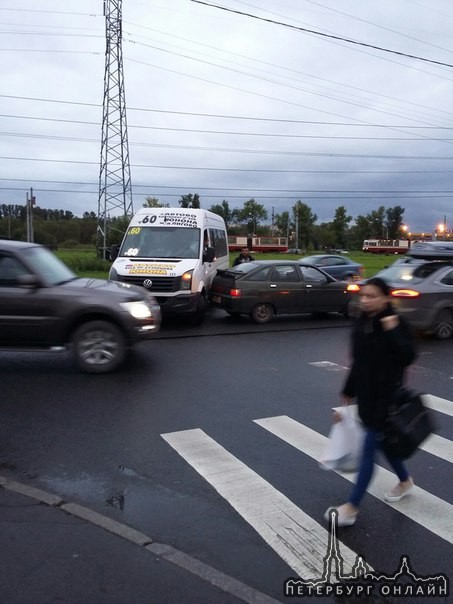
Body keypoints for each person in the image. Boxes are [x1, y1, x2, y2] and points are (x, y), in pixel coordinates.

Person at [324, 277, 417, 527]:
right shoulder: (361, 324)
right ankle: (405, 481)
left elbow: (408, 356)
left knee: (369, 450)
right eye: (363, 295)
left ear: (386, 298)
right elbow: (359, 361)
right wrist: (348, 390)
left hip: (388, 400)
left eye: (372, 295)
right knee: (384, 444)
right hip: (367, 398)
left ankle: (352, 507)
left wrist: (393, 330)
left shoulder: (396, 323)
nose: (365, 300)